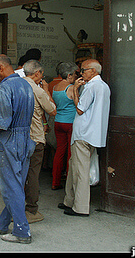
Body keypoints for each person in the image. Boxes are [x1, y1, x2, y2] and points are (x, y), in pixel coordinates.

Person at [0, 54, 35, 244]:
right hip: (26, 140)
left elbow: (2, 123)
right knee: (17, 184)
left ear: (1, 68)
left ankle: (22, 231)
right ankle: (3, 223)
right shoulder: (26, 85)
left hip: (10, 140)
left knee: (10, 187)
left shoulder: (5, 87)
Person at [58, 59, 110, 217]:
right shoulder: (104, 87)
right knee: (74, 166)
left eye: (84, 70)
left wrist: (75, 90)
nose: (81, 73)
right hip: (94, 133)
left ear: (93, 71)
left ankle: (80, 207)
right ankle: (69, 200)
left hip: (84, 132)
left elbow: (80, 109)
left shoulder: (91, 87)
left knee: (80, 171)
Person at [22, 60, 57, 223]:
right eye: (42, 74)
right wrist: (47, 90)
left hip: (18, 137)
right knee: (33, 174)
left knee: (19, 173)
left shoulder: (17, 85)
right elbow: (53, 110)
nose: (42, 77)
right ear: (37, 74)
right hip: (35, 137)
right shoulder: (38, 90)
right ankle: (31, 209)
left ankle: (16, 206)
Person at [51, 62, 80, 190]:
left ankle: (55, 182)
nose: (75, 77)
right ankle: (69, 183)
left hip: (58, 121)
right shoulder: (71, 88)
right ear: (69, 75)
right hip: (70, 122)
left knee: (59, 152)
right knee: (70, 153)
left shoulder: (55, 87)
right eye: (74, 74)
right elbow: (78, 105)